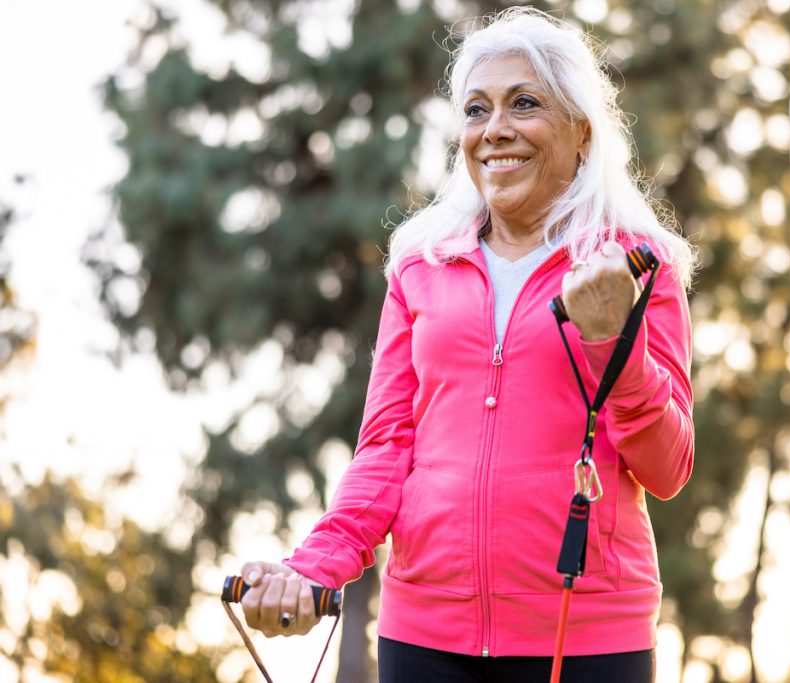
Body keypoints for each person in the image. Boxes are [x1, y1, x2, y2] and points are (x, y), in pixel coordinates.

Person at [239, 7, 695, 682]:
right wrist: (316, 564)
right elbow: (387, 448)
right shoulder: (421, 265)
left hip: (590, 638)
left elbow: (669, 466)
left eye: (525, 103)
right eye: (477, 109)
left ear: (581, 135)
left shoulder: (634, 265)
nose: (495, 130)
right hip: (424, 635)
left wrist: (611, 344)